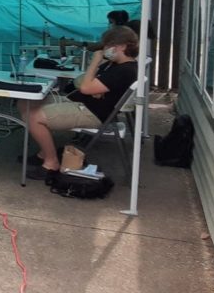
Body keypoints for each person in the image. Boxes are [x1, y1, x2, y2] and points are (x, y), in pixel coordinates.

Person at [18, 25, 139, 180]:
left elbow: (85, 87)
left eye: (109, 45)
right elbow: (80, 82)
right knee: (26, 102)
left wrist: (94, 63)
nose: (105, 49)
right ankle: (45, 152)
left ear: (122, 46)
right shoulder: (115, 65)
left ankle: (51, 163)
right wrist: (92, 87)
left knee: (33, 116)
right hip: (81, 103)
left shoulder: (125, 70)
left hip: (90, 113)